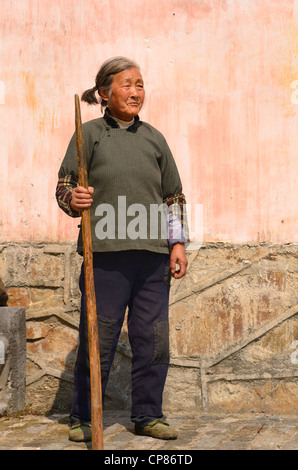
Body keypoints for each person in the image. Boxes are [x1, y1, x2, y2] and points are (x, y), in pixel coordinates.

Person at [56, 57, 189, 442]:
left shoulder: (155, 139)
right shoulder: (89, 136)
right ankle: (83, 417)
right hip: (105, 254)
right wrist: (74, 198)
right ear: (104, 93)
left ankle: (148, 414)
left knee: (153, 337)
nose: (136, 92)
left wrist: (177, 243)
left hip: (153, 255)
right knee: (99, 335)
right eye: (128, 85)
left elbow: (173, 196)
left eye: (141, 85)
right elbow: (63, 187)